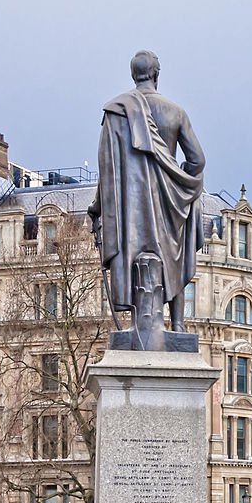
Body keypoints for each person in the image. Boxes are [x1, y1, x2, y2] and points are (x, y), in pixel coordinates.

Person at [88, 51, 205, 337]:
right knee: (174, 251)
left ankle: (136, 324)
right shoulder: (175, 112)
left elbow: (107, 171)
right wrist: (177, 179)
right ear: (156, 74)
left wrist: (97, 207)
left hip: (132, 208)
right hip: (170, 201)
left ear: (133, 75)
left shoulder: (116, 112)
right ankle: (177, 324)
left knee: (134, 252)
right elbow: (197, 160)